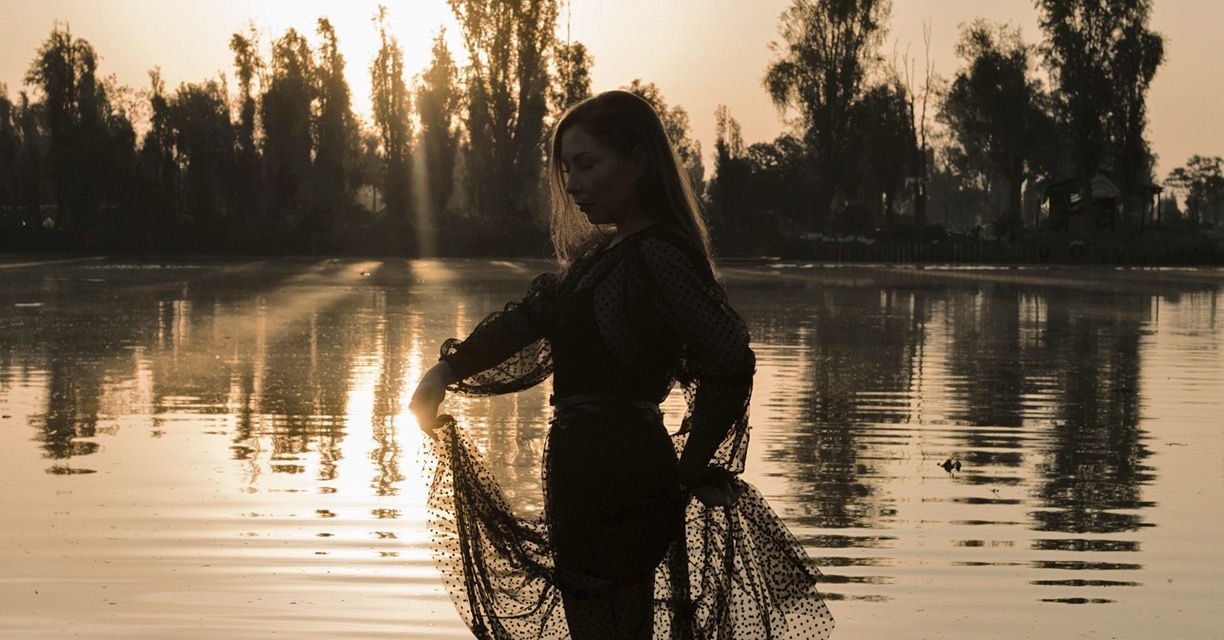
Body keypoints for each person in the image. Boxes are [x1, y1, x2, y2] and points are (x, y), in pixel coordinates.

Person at [410, 90, 834, 639]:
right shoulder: (599, 257)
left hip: (622, 472)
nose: (573, 184)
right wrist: (444, 372)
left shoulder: (658, 253)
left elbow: (728, 361)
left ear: (637, 161)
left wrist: (691, 466)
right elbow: (527, 321)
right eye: (566, 169)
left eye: (587, 164)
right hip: (579, 468)